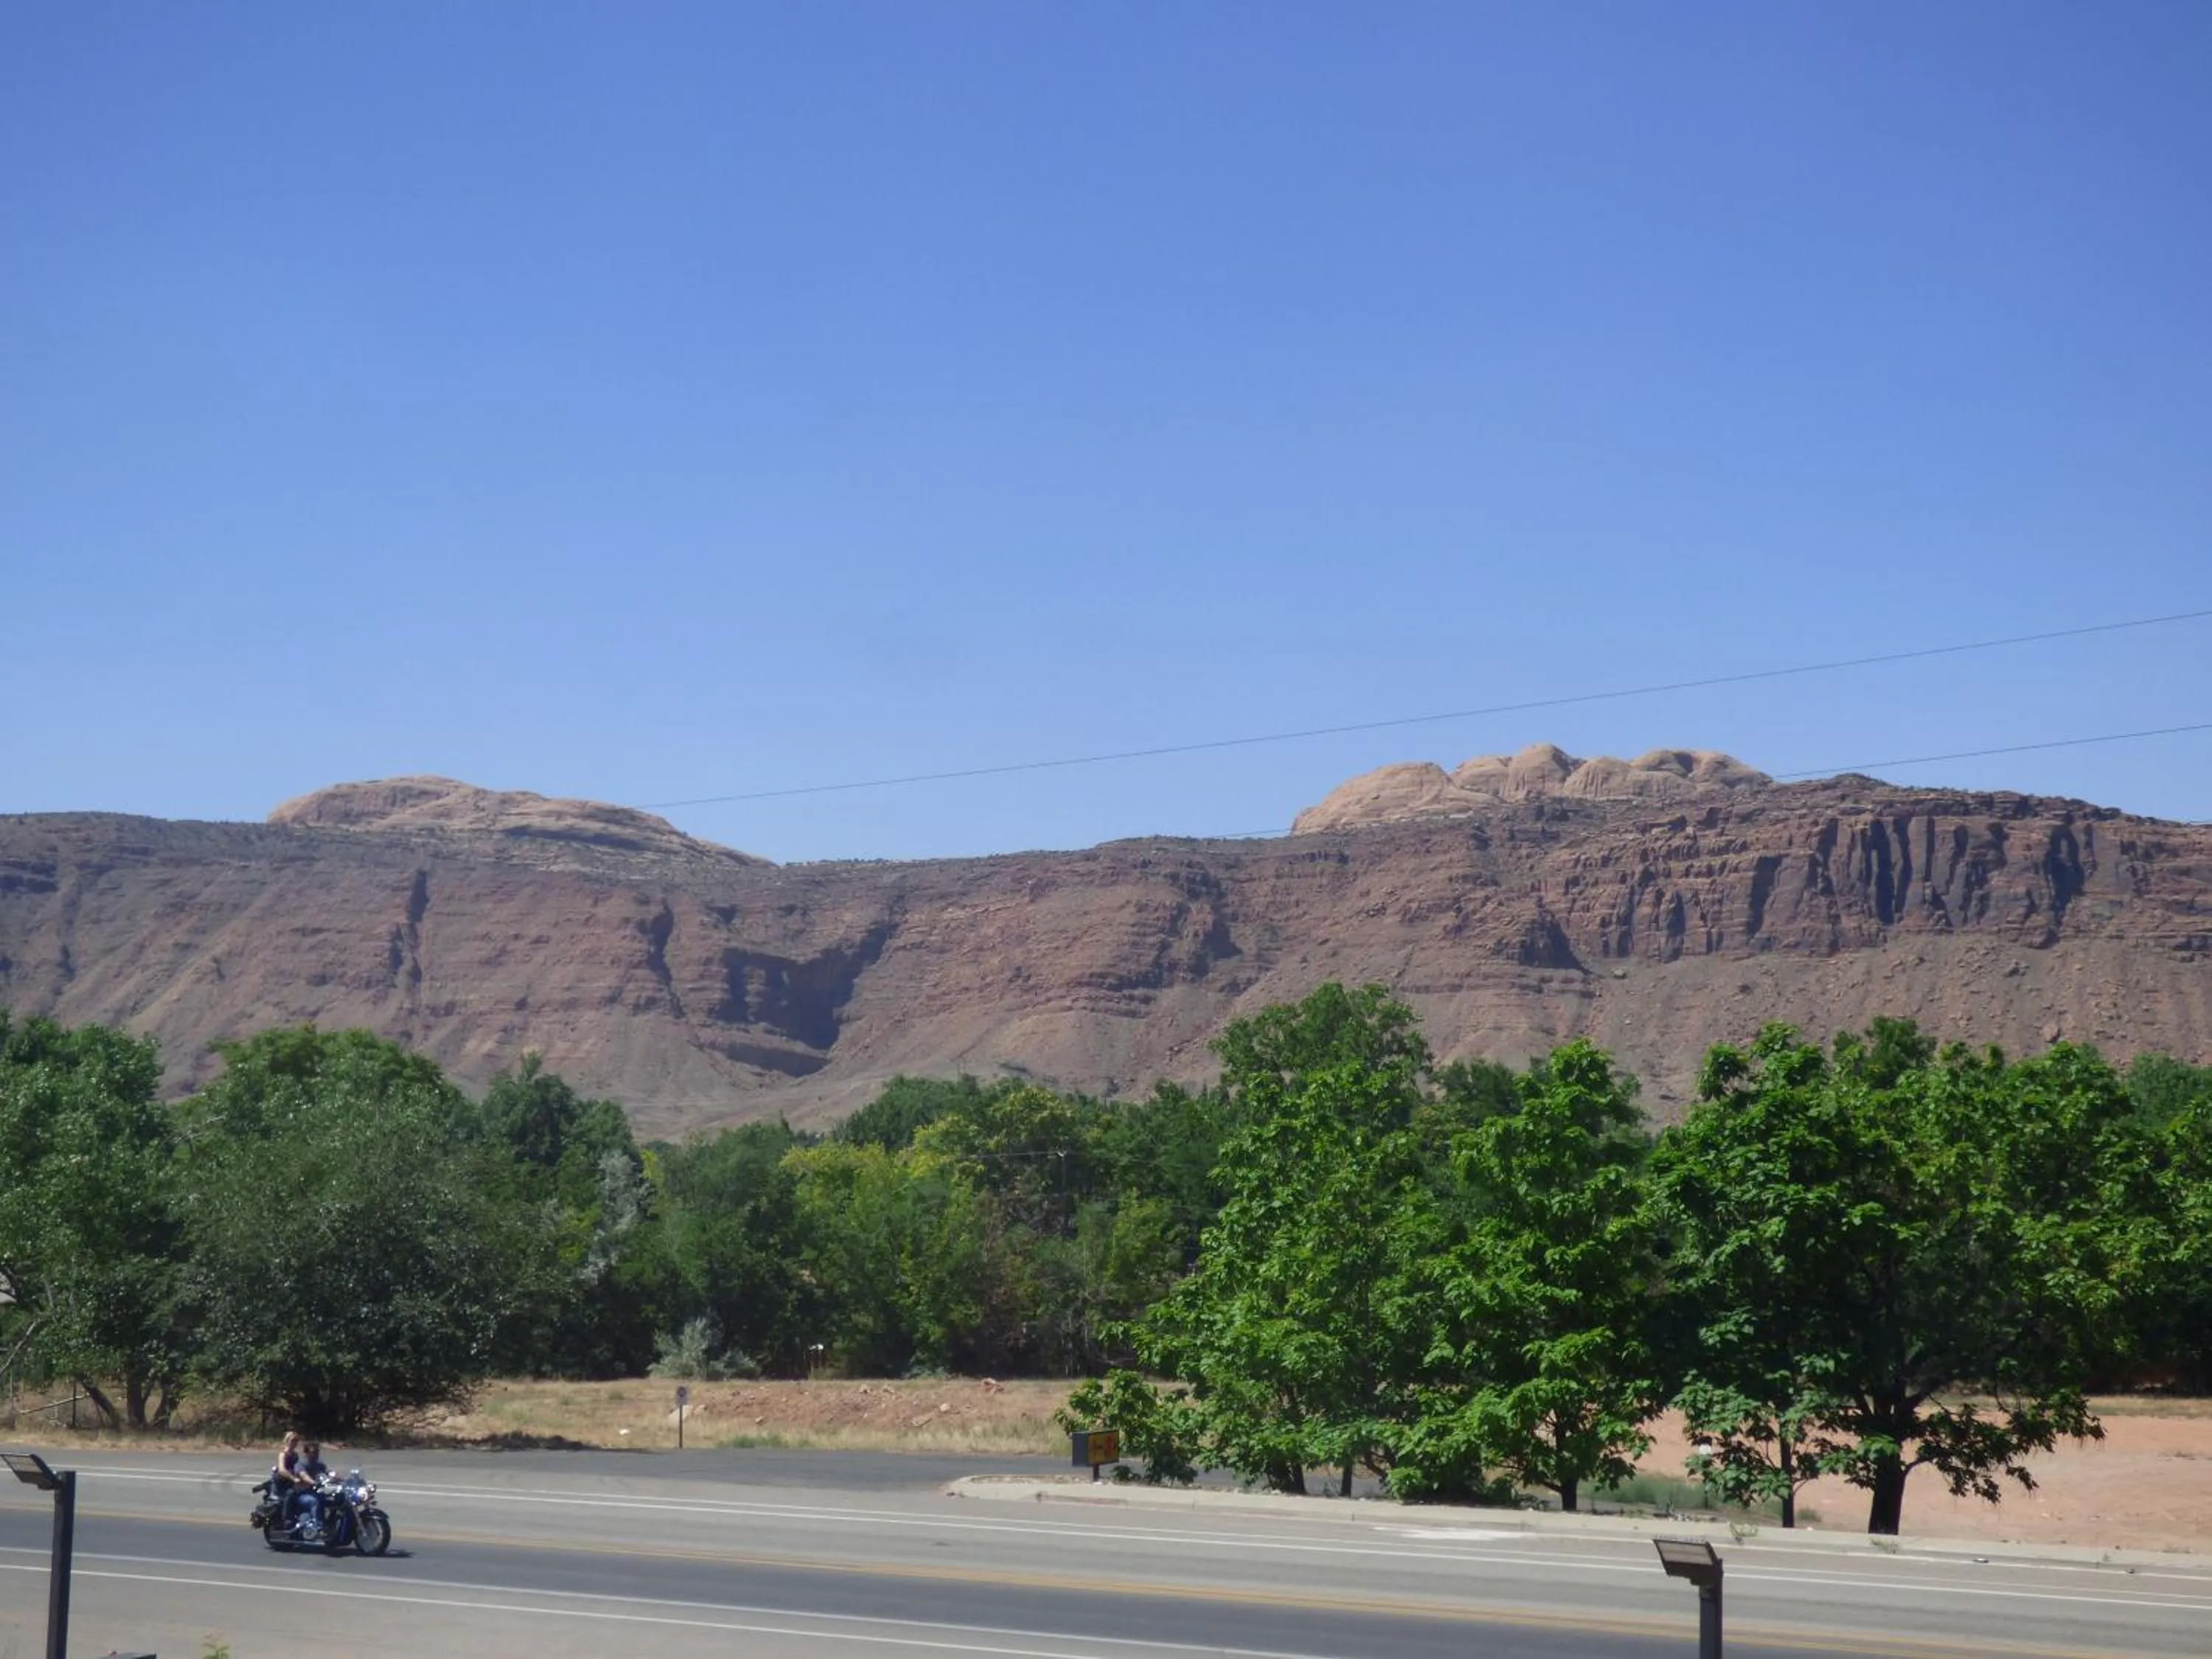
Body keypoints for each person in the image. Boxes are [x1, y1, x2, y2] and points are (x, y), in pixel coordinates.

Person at [271, 1431, 316, 1531]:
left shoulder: (295, 1454)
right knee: (291, 1494)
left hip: (293, 1482)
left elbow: (299, 1468)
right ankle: (287, 1519)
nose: (295, 1443)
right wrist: (294, 1478)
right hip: (282, 1483)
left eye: (296, 1440)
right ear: (287, 1441)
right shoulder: (283, 1454)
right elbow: (282, 1470)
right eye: (293, 1440)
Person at [299, 1439, 332, 1536]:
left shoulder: (319, 1464)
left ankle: (330, 1524)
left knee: (331, 1499)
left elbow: (327, 1472)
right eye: (314, 1452)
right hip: (302, 1494)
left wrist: (336, 1477)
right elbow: (304, 1476)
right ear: (307, 1453)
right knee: (315, 1501)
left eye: (317, 1452)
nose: (316, 1454)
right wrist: (314, 1482)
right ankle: (319, 1527)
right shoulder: (301, 1463)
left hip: (315, 1491)